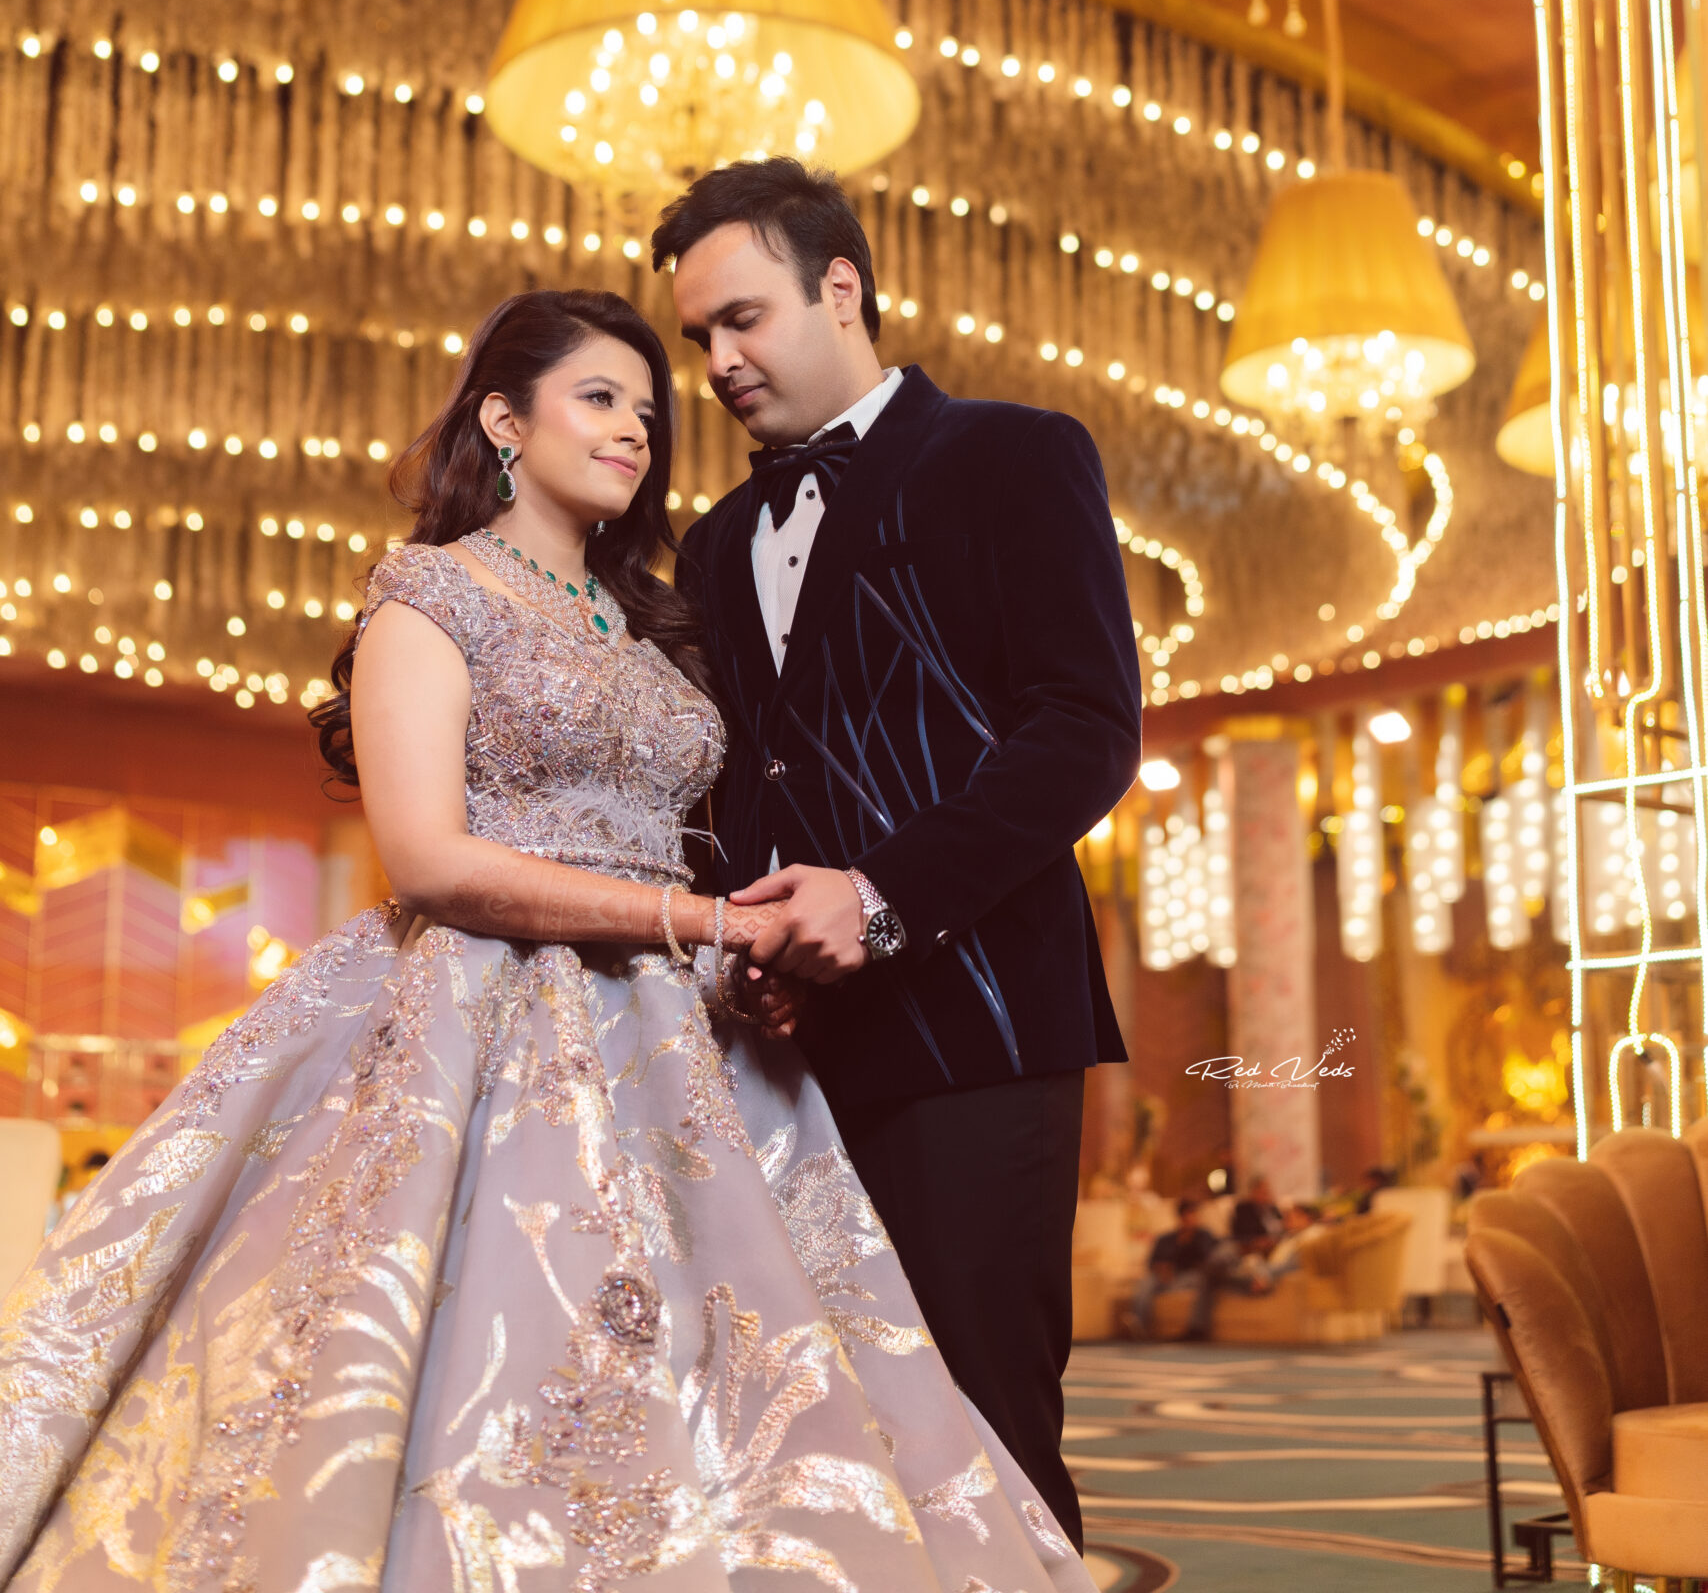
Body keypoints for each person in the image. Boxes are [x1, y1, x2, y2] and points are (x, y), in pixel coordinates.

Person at [0, 290, 1090, 1593]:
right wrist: (692, 919)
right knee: (502, 1354)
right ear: (505, 421)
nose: (636, 428)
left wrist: (747, 953)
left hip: (694, 1042)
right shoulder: (430, 591)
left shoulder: (659, 624)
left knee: (748, 1376)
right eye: (599, 398)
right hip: (481, 1017)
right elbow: (430, 860)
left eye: (648, 408)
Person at [655, 159, 1143, 1549]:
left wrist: (878, 898)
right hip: (780, 1055)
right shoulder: (714, 541)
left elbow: (1084, 730)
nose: (720, 361)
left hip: (976, 1026)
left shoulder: (1012, 452)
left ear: (844, 287)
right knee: (813, 1447)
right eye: (699, 339)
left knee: (983, 1432)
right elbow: (742, 775)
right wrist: (747, 943)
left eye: (742, 318)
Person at [1132, 1198, 1218, 1338]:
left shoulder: (1204, 1236)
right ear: (1181, 1217)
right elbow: (1152, 1262)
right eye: (1189, 1215)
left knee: (1197, 1279)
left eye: (1194, 1214)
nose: (1192, 1219)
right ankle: (1138, 1325)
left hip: (1187, 1277)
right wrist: (1163, 1269)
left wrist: (1189, 1242)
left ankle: (1195, 1329)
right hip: (1162, 1277)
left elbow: (1207, 1260)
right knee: (1145, 1283)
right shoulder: (1165, 1239)